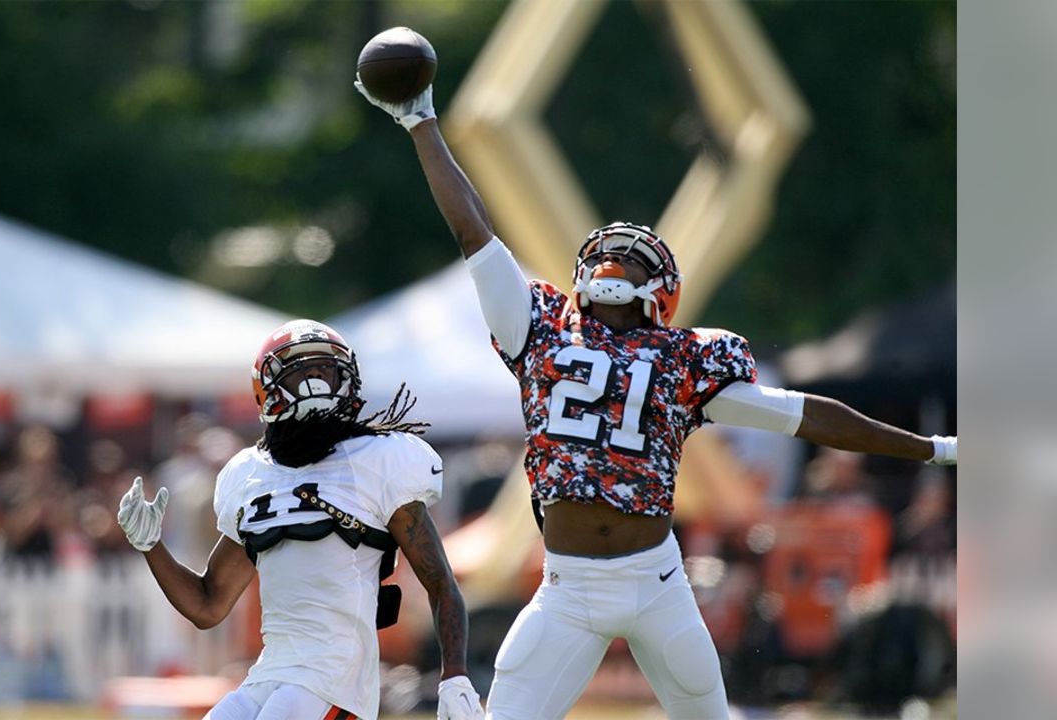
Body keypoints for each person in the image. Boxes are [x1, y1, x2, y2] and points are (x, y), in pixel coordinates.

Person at [355, 77, 957, 719]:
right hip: (572, 586)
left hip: (654, 581)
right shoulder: (553, 331)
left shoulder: (660, 354)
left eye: (631, 261)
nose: (618, 266)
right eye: (613, 257)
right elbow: (474, 233)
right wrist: (422, 124)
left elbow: (803, 415)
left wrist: (932, 447)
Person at [118, 319, 484, 720]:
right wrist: (151, 546)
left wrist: (456, 676)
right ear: (268, 388)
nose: (316, 382)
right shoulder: (251, 475)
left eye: (324, 370)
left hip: (336, 675)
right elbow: (208, 605)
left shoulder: (378, 461)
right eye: (302, 372)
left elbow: (440, 582)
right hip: (271, 671)